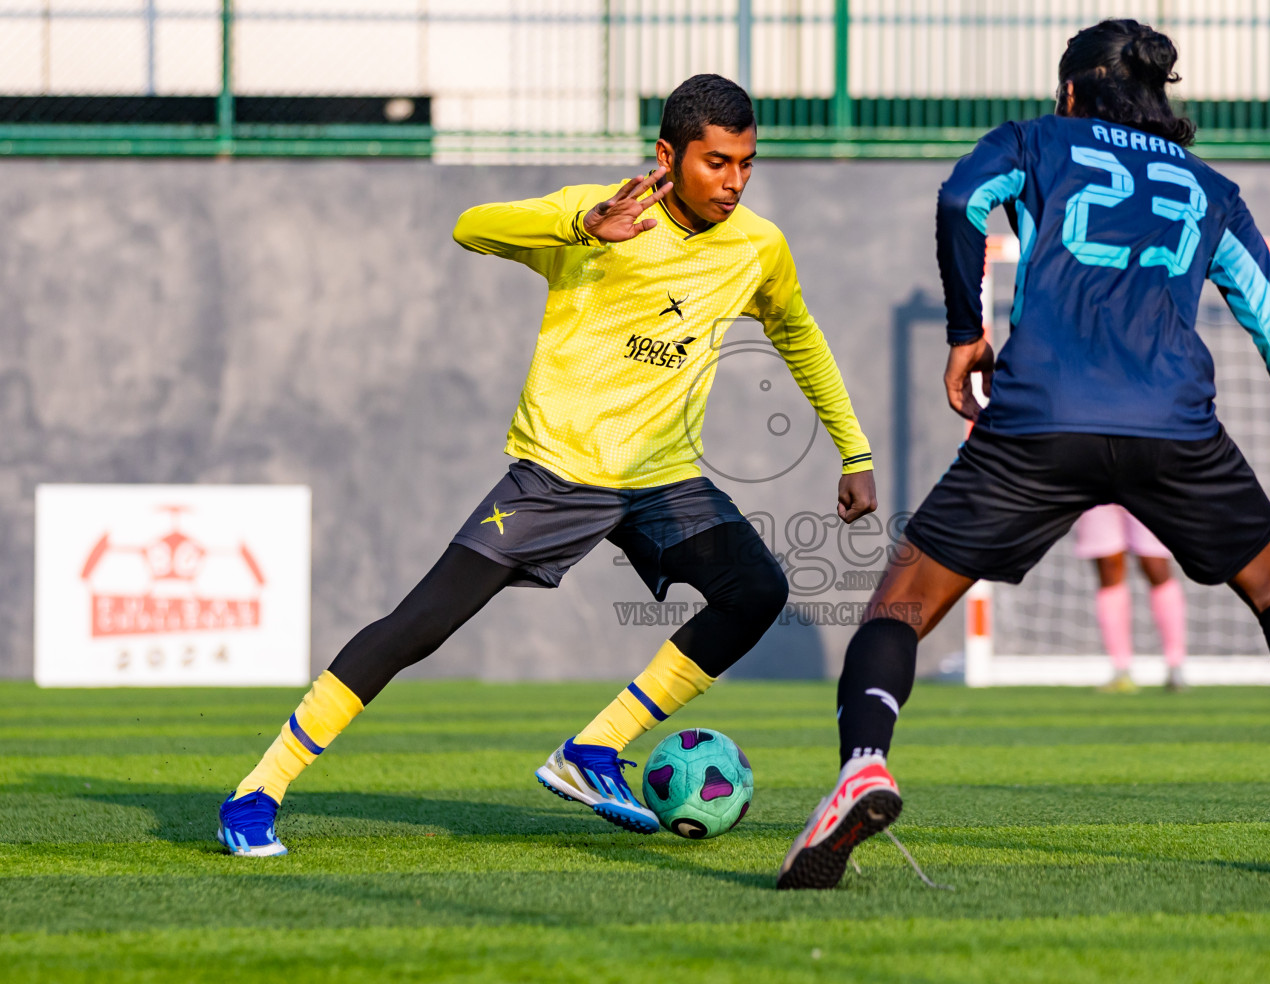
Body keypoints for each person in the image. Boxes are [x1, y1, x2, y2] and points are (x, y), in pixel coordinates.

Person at [777, 20, 1270, 889]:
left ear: (1075, 91)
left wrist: (967, 335)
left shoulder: (1036, 142)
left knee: (899, 605)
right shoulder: (1210, 189)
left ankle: (863, 766)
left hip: (1040, 417)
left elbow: (959, 200)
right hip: (1175, 429)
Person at [217, 74, 877, 856]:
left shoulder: (757, 247)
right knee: (418, 627)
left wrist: (853, 449)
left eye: (746, 163)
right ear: (667, 154)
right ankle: (257, 791)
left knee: (756, 589)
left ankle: (593, 750)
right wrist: (580, 226)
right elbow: (471, 225)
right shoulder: (599, 219)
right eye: (715, 163)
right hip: (557, 475)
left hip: (662, 479)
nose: (733, 182)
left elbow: (798, 335)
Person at [1074, 504, 1187, 692]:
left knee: (1155, 564)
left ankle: (1175, 664)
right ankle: (1121, 669)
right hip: (1097, 485)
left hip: (1146, 483)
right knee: (1109, 567)